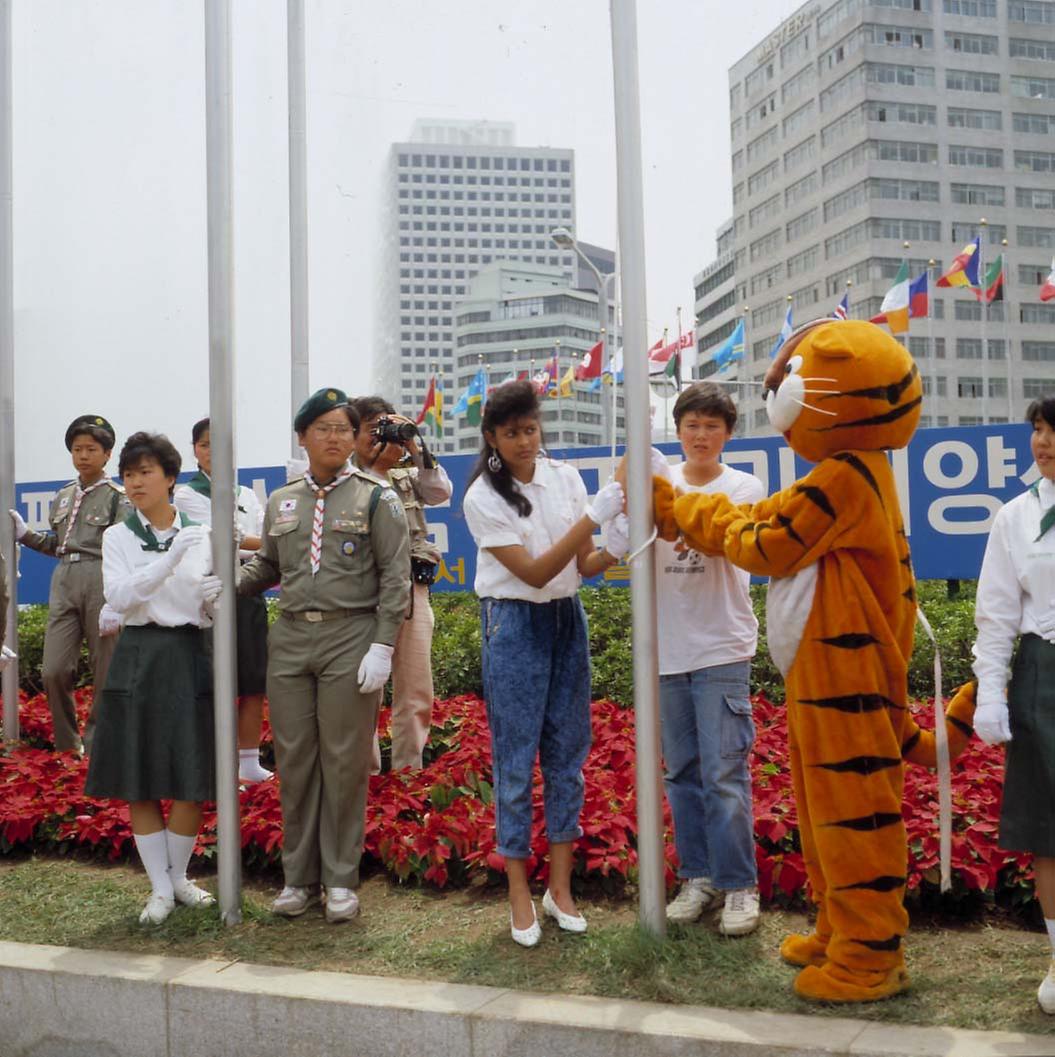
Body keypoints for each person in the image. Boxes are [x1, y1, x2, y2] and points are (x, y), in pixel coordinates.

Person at [462, 380, 626, 947]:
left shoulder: (564, 477)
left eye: (531, 429)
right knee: (515, 759)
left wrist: (617, 545)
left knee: (567, 755)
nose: (525, 441)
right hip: (512, 622)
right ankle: (517, 892)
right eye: (512, 434)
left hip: (565, 618)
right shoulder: (483, 495)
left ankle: (559, 889)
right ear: (492, 438)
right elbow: (532, 572)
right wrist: (595, 517)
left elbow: (583, 564)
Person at [237, 387, 410, 924]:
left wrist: (382, 646)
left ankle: (339, 879)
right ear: (303, 437)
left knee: (342, 759)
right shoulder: (281, 501)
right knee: (294, 759)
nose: (334, 437)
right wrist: (224, 585)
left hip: (350, 636)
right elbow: (268, 565)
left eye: (343, 428)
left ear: (355, 437)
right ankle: (298, 879)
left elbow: (395, 579)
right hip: (289, 638)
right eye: (324, 428)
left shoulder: (377, 498)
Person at [84, 431, 221, 926]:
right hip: (138, 654)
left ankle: (179, 879)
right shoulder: (118, 536)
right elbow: (120, 597)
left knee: (191, 777)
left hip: (187, 653)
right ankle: (160, 890)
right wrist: (166, 562)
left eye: (145, 472)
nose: (136, 482)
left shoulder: (200, 533)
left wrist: (215, 594)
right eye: (129, 474)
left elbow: (205, 607)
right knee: (139, 779)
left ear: (169, 477)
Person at [655, 382, 764, 936]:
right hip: (666, 652)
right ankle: (696, 877)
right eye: (692, 425)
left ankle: (739, 885)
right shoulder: (656, 484)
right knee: (682, 774)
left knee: (724, 774)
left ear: (727, 434)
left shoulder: (744, 486)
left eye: (712, 427)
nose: (701, 436)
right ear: (677, 430)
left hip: (722, 646)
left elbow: (726, 540)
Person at [973, 395, 1055, 1015]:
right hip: (1043, 675)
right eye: (1037, 430)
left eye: (1052, 431)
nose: (1043, 442)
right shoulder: (1016, 516)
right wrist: (990, 691)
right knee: (1047, 829)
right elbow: (997, 611)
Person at [9, 415, 131, 752]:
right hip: (64, 578)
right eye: (77, 449)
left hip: (102, 576)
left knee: (105, 669)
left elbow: (123, 546)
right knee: (53, 669)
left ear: (107, 454)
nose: (83, 455)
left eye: (91, 449)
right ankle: (67, 744)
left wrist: (116, 596)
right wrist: (26, 535)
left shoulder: (117, 496)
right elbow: (57, 545)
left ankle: (97, 746)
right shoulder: (62, 496)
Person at [351, 395, 452, 771]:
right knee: (364, 690)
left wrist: (415, 444)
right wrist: (376, 469)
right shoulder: (342, 477)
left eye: (386, 425)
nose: (381, 435)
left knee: (415, 688)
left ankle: (409, 776)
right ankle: (369, 779)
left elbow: (441, 492)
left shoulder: (406, 470)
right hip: (363, 593)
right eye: (372, 428)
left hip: (412, 589)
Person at [174, 417, 271, 783]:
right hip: (210, 593)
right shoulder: (188, 494)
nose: (213, 450)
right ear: (195, 450)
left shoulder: (246, 494)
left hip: (247, 590)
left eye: (221, 443)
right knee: (216, 680)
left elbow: (259, 539)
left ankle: (248, 761)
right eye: (205, 444)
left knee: (252, 678)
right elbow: (213, 539)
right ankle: (216, 763)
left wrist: (250, 541)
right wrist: (253, 542)